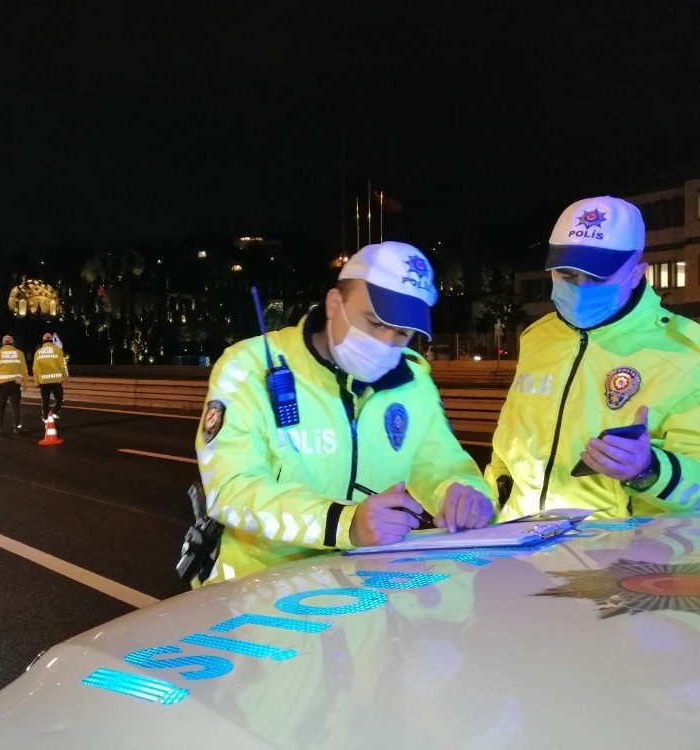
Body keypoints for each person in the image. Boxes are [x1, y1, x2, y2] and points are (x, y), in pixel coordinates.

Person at [193, 241, 496, 586]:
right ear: (335, 304)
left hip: (362, 598)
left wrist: (468, 495)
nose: (386, 342)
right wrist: (343, 523)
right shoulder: (248, 367)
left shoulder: (413, 385)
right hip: (254, 592)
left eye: (401, 334)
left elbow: (444, 466)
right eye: (374, 322)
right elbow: (231, 490)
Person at [487, 196, 700, 520]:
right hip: (517, 541)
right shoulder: (538, 337)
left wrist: (648, 470)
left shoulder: (687, 352)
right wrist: (487, 502)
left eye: (598, 277)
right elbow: (508, 442)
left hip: (613, 556)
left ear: (637, 272)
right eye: (567, 274)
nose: (581, 287)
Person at [0, 334, 29, 436]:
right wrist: (25, 383)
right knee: (16, 407)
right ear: (12, 342)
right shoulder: (19, 353)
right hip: (15, 384)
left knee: (0, 407)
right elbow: (24, 370)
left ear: (3, 343)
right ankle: (17, 428)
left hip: (2, 385)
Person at [33, 332, 68, 421]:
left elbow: (35, 369)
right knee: (59, 399)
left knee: (45, 401)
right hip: (56, 381)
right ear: (52, 341)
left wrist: (36, 381)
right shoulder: (58, 350)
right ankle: (54, 412)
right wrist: (65, 376)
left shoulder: (38, 352)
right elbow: (62, 365)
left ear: (43, 341)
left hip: (43, 381)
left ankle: (45, 417)